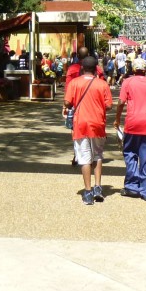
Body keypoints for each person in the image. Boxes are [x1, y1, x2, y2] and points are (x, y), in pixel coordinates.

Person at [62, 56, 112, 205]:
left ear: (82, 68)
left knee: (84, 158)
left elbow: (67, 102)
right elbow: (108, 105)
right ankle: (98, 187)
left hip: (81, 123)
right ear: (96, 68)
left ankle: (88, 191)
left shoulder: (74, 83)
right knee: (97, 155)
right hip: (97, 122)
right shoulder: (102, 84)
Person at [114, 57, 146, 200]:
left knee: (130, 153)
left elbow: (121, 102)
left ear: (133, 69)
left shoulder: (127, 82)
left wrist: (117, 119)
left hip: (132, 124)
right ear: (145, 69)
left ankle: (132, 185)